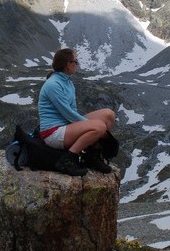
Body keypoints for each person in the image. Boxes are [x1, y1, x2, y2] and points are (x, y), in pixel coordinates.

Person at [38, 48, 115, 176]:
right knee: (100, 127)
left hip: (66, 126)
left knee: (108, 115)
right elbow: (68, 113)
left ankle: (92, 157)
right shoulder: (53, 84)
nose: (77, 65)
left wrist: (89, 125)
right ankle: (68, 160)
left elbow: (72, 111)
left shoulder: (68, 82)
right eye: (76, 62)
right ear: (68, 64)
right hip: (53, 133)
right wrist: (95, 127)